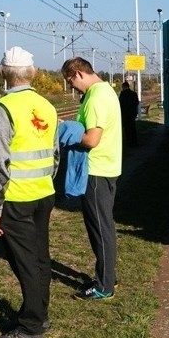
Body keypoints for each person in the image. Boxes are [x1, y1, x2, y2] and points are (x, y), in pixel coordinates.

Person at [0, 46, 59, 338]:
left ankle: (31, 326)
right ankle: (39, 313)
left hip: (15, 197)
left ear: (3, 73)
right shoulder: (47, 106)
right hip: (43, 193)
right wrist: (45, 182)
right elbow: (55, 155)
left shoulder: (2, 109)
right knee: (40, 258)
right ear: (33, 73)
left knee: (25, 261)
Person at [61, 57, 122, 300]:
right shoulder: (107, 91)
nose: (72, 87)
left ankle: (103, 286)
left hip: (96, 170)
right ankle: (109, 275)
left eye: (70, 82)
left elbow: (91, 139)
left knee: (100, 227)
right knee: (103, 225)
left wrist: (68, 131)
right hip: (107, 167)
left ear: (78, 73)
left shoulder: (95, 98)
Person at [118, 81, 139, 147]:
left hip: (124, 114)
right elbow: (137, 102)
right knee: (132, 128)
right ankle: (134, 141)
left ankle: (128, 142)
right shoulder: (134, 93)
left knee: (126, 129)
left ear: (123, 87)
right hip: (132, 113)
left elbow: (120, 103)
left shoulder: (122, 94)